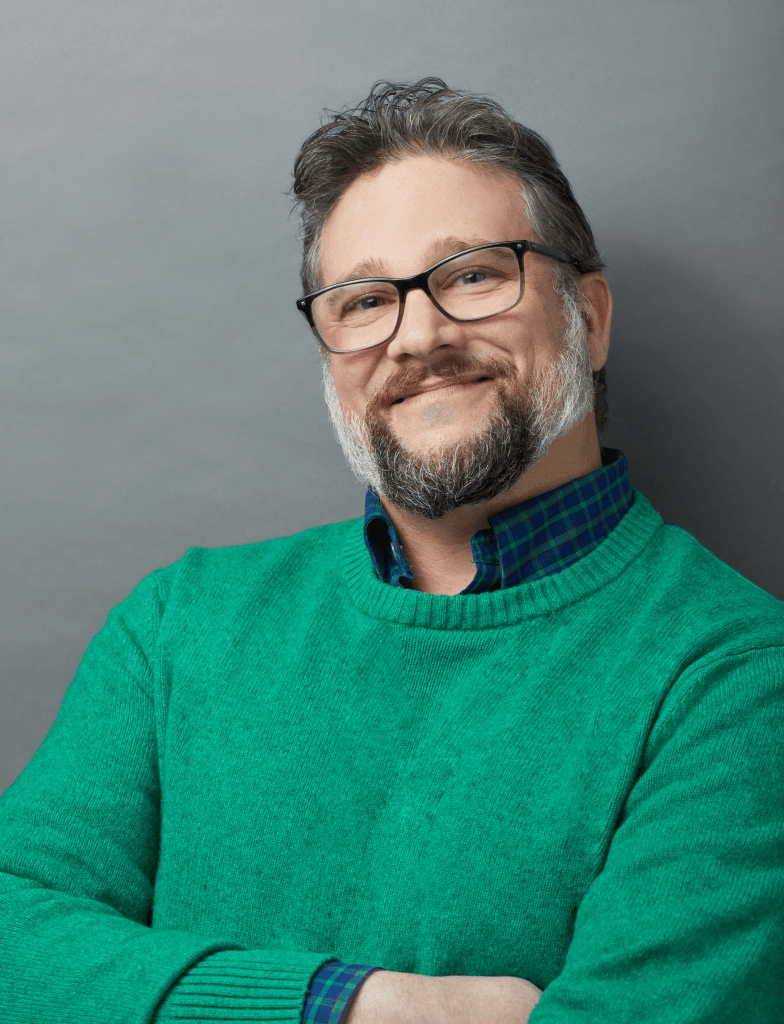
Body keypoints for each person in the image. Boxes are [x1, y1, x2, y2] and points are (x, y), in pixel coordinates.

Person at [0, 78, 782, 1024]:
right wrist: (357, 1007)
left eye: (475, 275)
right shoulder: (177, 626)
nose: (419, 336)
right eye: (365, 300)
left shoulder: (740, 681)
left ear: (591, 317)